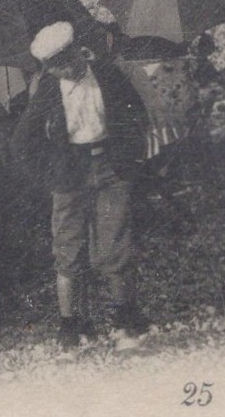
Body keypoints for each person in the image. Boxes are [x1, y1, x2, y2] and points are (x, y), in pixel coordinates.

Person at [10, 22, 151, 349]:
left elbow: (135, 115)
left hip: (110, 170)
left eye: (67, 61)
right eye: (55, 67)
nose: (64, 70)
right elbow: (21, 142)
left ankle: (125, 319)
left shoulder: (107, 75)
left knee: (115, 243)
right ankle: (71, 326)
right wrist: (48, 175)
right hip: (69, 174)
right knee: (68, 248)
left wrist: (130, 160)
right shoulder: (47, 89)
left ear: (77, 51)